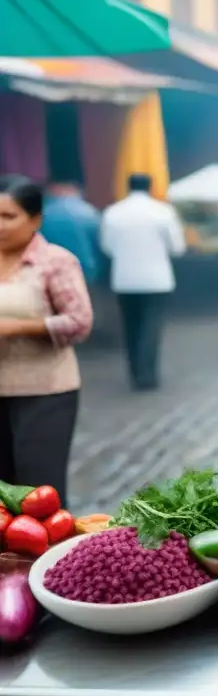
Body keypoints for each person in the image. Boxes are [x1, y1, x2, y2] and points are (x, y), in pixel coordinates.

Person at [0, 175, 93, 503]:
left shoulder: (55, 261)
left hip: (45, 393)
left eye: (8, 217)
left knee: (39, 496)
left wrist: (16, 327)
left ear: (35, 220)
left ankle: (49, 556)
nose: (0, 225)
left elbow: (80, 323)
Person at [101, 173, 186, 391]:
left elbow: (107, 247)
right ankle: (147, 374)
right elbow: (177, 247)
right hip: (156, 279)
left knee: (131, 327)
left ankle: (134, 371)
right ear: (150, 186)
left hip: (124, 279)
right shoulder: (162, 212)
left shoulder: (113, 212)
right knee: (151, 327)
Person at [40, 182, 102, 286]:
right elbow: (99, 244)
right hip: (84, 272)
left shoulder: (42, 213)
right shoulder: (88, 212)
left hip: (46, 272)